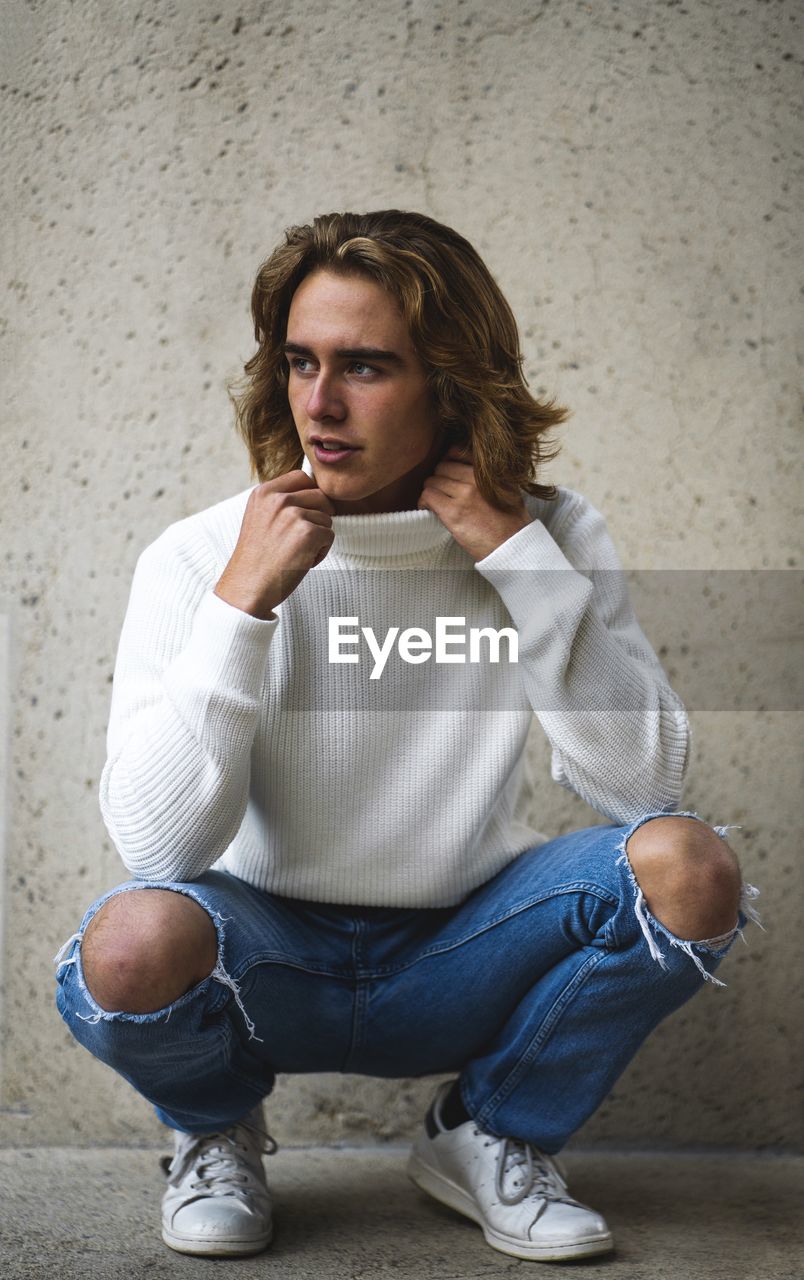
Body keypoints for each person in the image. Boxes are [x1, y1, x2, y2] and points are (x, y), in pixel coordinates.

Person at [54, 210, 759, 1264]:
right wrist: (242, 604)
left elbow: (646, 785)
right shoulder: (203, 552)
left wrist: (519, 559)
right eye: (300, 361)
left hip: (460, 950)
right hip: (267, 959)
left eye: (366, 366)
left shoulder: (551, 535)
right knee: (127, 941)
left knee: (691, 869)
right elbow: (157, 851)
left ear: (453, 381)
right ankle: (214, 1128)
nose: (319, 403)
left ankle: (491, 1129)